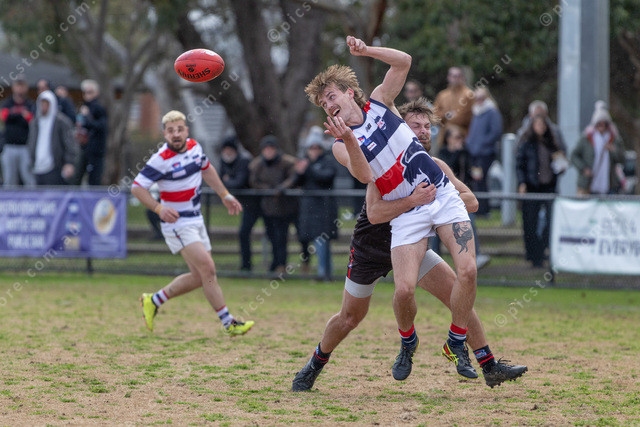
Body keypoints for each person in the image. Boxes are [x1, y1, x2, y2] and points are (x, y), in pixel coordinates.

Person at [292, 97, 527, 391]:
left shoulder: (435, 166)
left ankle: (489, 365)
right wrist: (414, 200)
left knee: (458, 293)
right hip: (372, 248)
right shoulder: (379, 165)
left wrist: (440, 203)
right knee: (349, 318)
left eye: (427, 126)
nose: (423, 131)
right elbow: (375, 214)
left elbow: (471, 201)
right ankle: (314, 365)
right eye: (415, 125)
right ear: (399, 129)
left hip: (413, 246)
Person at [304, 37, 479, 383]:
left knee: (463, 279)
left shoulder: (381, 103)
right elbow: (365, 175)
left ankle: (478, 356)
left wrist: (366, 51)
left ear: (349, 93)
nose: (328, 105)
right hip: (376, 237)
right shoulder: (340, 144)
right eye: (323, 104)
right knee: (350, 317)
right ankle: (315, 364)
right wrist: (350, 139)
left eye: (331, 96)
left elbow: (403, 61)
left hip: (413, 221)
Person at [132, 110, 253, 336]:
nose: (176, 134)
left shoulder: (195, 147)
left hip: (196, 219)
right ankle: (229, 323)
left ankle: (153, 300)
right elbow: (137, 188)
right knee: (208, 268)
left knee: (200, 277)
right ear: (165, 134)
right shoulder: (160, 159)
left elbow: (207, 170)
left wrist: (224, 194)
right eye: (171, 131)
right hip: (177, 224)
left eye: (179, 129)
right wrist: (159, 208)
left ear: (186, 131)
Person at [516, 115, 567, 268]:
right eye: (537, 124)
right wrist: (522, 182)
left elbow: (559, 163)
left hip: (548, 187)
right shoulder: (526, 144)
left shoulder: (551, 144)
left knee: (550, 221)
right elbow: (519, 165)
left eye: (543, 125)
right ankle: (534, 256)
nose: (540, 127)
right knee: (530, 222)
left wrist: (561, 166)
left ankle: (543, 249)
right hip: (532, 187)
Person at [248, 135, 298, 274]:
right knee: (272, 237)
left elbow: (293, 178)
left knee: (281, 237)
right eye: (266, 149)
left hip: (284, 207)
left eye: (271, 149)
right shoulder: (258, 164)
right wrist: (268, 190)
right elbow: (253, 181)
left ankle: (281, 264)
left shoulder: (287, 162)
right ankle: (275, 263)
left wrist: (281, 188)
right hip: (267, 207)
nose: (269, 152)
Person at [294, 126, 338, 280]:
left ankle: (324, 273)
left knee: (322, 240)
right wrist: (299, 172)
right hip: (308, 208)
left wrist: (309, 168)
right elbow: (297, 182)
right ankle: (321, 272)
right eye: (311, 148)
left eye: (316, 148)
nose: (314, 151)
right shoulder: (306, 163)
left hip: (324, 208)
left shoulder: (328, 161)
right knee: (310, 240)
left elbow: (325, 178)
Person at [217, 136, 255, 271]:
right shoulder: (224, 161)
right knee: (243, 233)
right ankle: (246, 265)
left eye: (229, 149)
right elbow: (220, 181)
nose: (227, 152)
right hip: (240, 202)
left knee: (248, 232)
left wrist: (228, 181)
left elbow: (239, 182)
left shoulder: (243, 161)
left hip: (252, 203)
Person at [570, 102, 625, 195]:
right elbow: (573, 155)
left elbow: (622, 159)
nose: (602, 127)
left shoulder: (614, 139)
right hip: (589, 184)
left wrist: (613, 150)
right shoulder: (587, 138)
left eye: (605, 124)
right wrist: (584, 168)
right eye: (599, 124)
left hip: (609, 185)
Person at [465, 87, 503, 216]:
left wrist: (482, 144)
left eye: (481, 98)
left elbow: (495, 132)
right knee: (476, 179)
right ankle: (478, 208)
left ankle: (483, 209)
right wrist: (470, 143)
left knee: (481, 180)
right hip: (475, 152)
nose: (479, 101)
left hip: (485, 153)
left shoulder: (491, 112)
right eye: (476, 98)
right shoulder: (476, 112)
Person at [27, 90, 78, 185]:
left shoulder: (61, 122)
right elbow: (31, 141)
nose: (44, 106)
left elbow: (69, 143)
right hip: (37, 166)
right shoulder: (35, 122)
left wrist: (69, 162)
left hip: (55, 166)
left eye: (46, 104)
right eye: (42, 103)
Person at [1, 75, 36, 186]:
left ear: (26, 87)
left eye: (22, 85)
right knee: (9, 179)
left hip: (25, 147)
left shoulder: (30, 104)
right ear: (13, 87)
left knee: (28, 178)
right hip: (9, 146)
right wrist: (20, 115)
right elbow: (4, 117)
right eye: (18, 85)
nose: (20, 88)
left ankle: (32, 198)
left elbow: (32, 120)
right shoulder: (7, 103)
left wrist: (14, 115)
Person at [75, 79, 107, 185]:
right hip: (84, 148)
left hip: (95, 151)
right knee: (77, 177)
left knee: (94, 180)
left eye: (90, 92)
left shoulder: (98, 108)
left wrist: (87, 116)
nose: (87, 95)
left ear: (96, 93)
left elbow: (100, 126)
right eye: (85, 92)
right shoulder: (85, 107)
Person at [433, 67, 474, 135]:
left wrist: (454, 118)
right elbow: (434, 116)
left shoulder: (469, 95)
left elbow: (470, 117)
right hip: (444, 135)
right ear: (448, 77)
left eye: (458, 76)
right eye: (454, 76)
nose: (456, 79)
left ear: (462, 78)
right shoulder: (442, 95)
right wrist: (446, 115)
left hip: (463, 135)